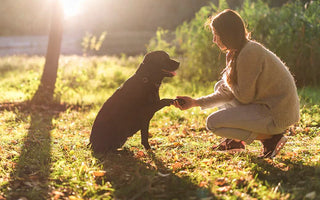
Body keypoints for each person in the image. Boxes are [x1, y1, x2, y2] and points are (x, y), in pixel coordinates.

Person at [173, 9, 300, 158]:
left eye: (216, 34)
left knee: (212, 123)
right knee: (220, 86)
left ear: (227, 34)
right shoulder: (239, 51)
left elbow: (244, 97)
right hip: (267, 106)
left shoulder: (249, 52)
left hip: (277, 114)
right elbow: (230, 92)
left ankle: (271, 139)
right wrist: (195, 102)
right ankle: (235, 142)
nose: (214, 40)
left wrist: (228, 76)